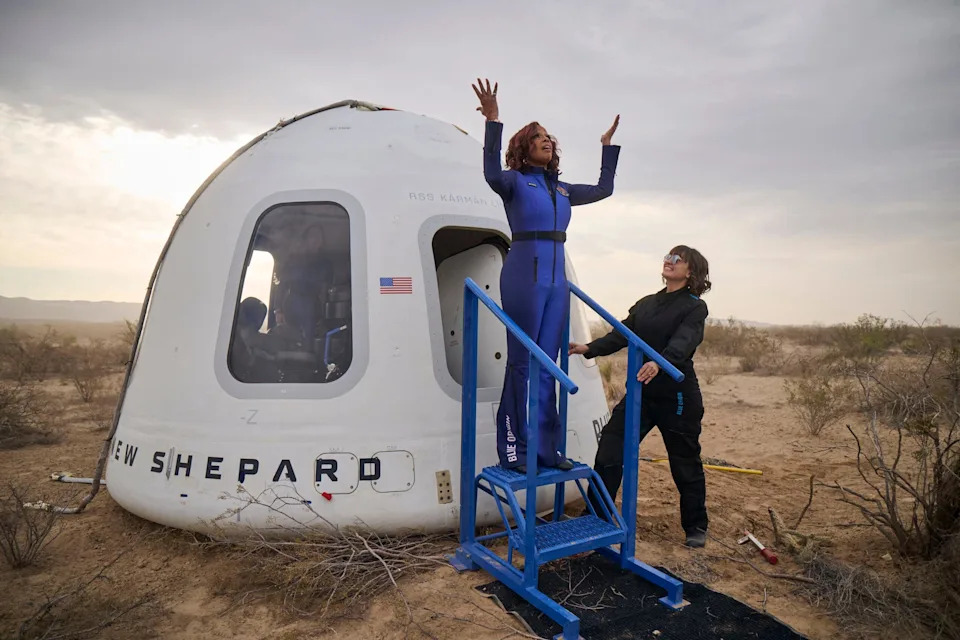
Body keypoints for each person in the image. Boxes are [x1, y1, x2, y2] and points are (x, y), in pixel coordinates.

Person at [472, 78, 621, 473]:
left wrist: (607, 148)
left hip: (557, 281)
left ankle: (545, 451)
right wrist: (493, 121)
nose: (546, 140)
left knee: (550, 365)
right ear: (523, 147)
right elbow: (489, 171)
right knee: (523, 362)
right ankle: (515, 451)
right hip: (525, 272)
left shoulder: (564, 189)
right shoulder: (513, 182)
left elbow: (605, 188)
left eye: (548, 136)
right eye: (537, 137)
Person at [568, 246, 711, 548]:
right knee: (610, 445)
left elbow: (684, 341)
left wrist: (661, 361)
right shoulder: (647, 304)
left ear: (691, 272)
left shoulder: (694, 307)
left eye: (678, 259)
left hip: (677, 396)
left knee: (684, 461)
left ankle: (696, 526)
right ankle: (598, 514)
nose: (669, 262)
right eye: (668, 257)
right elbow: (621, 334)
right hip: (642, 392)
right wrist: (588, 348)